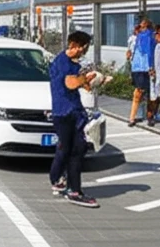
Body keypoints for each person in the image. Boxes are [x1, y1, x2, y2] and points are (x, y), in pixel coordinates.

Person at [48, 31, 100, 208]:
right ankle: (70, 188)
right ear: (78, 46)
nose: (85, 51)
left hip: (73, 111)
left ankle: (65, 184)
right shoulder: (62, 62)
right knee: (72, 150)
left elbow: (80, 84)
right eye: (85, 48)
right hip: (65, 113)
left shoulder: (72, 63)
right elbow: (70, 83)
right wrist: (85, 78)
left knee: (74, 149)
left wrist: (93, 81)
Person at [128, 18, 156, 127]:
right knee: (138, 92)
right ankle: (132, 117)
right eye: (140, 26)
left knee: (151, 93)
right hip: (137, 68)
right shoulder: (134, 38)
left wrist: (152, 66)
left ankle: (150, 116)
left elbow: (152, 53)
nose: (141, 28)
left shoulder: (151, 37)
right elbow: (130, 52)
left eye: (144, 26)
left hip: (149, 68)